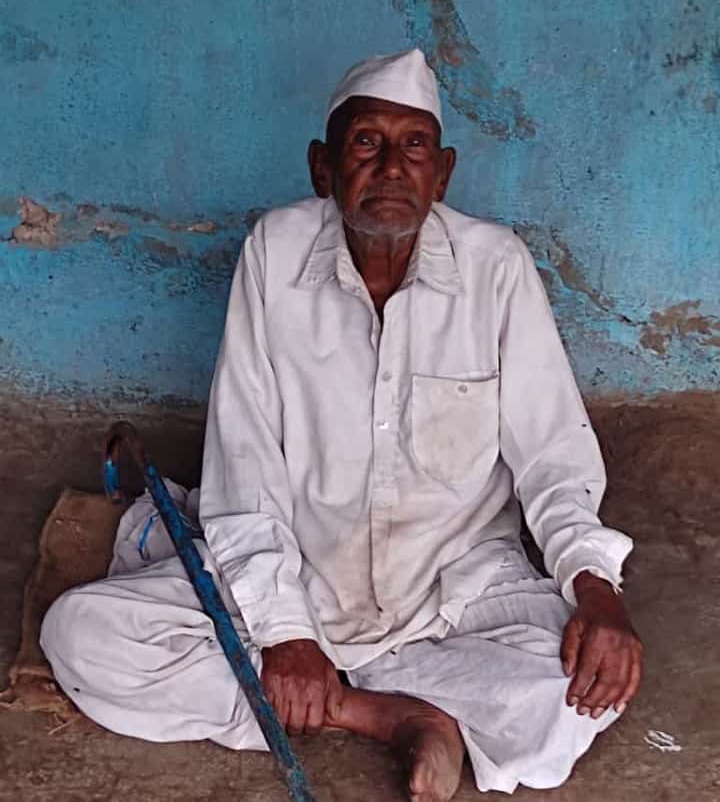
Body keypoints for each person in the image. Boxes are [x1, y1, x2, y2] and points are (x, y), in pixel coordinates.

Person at [41, 49, 643, 801]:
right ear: (322, 168)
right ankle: (383, 714)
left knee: (577, 694)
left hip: (456, 590)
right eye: (365, 142)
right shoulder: (274, 254)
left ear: (443, 174)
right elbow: (245, 464)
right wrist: (286, 632)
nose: (391, 167)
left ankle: (334, 694)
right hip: (301, 571)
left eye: (414, 145)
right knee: (82, 636)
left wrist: (595, 587)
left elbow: (554, 454)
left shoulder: (497, 267)